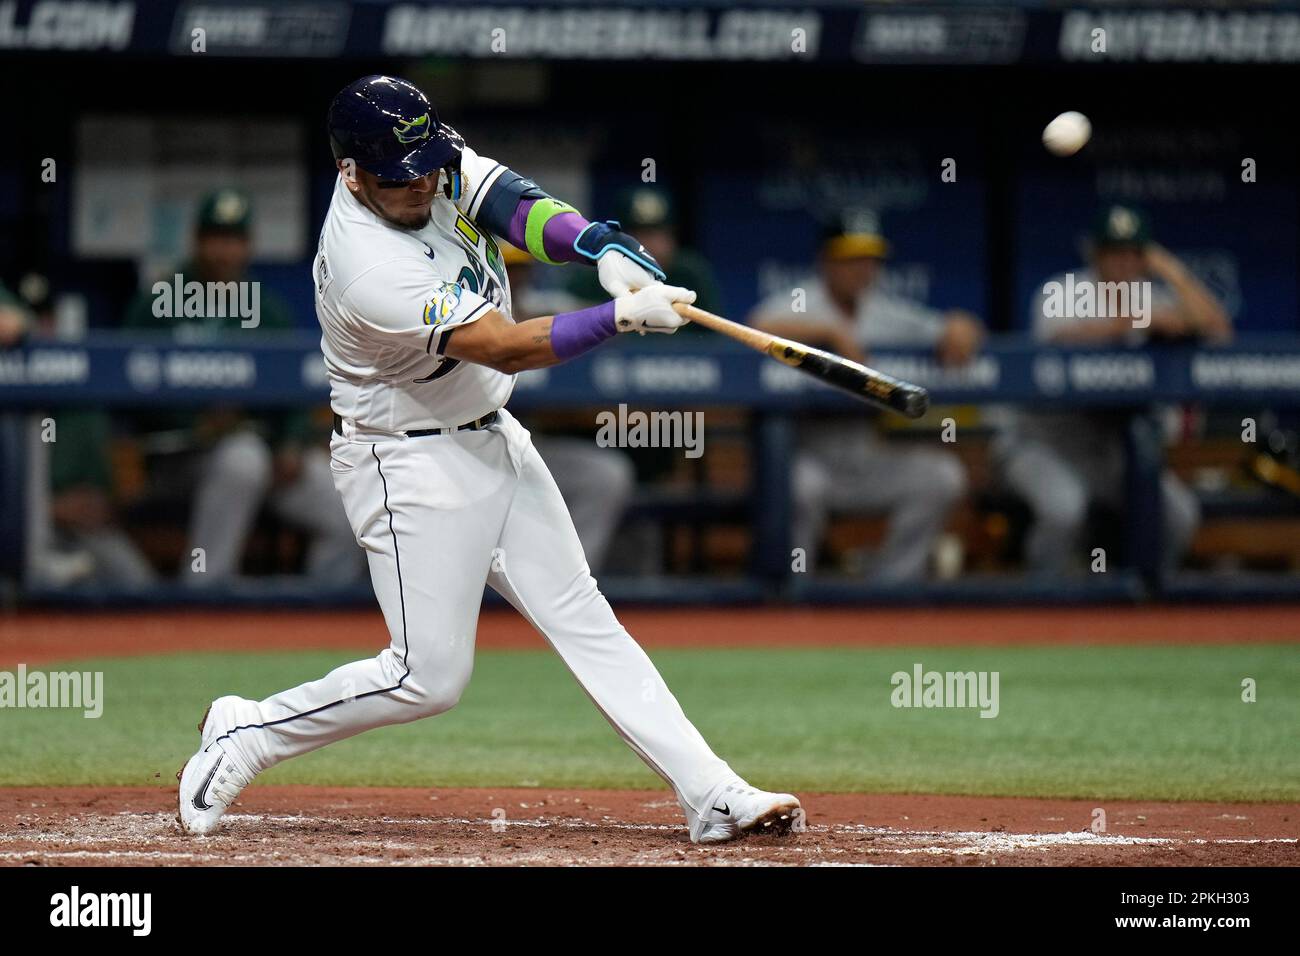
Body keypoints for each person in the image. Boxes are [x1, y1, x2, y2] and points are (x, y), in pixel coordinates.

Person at [177, 75, 800, 845]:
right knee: (427, 679)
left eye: (430, 167)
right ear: (353, 173)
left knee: (583, 615)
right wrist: (617, 317)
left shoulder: (425, 156)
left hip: (490, 434)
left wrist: (594, 243)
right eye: (403, 178)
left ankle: (711, 792)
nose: (425, 183)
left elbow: (509, 201)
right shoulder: (366, 264)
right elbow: (500, 343)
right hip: (405, 464)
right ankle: (249, 733)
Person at [124, 189, 363, 586]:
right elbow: (123, 385)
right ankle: (202, 590)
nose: (224, 251)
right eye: (215, 238)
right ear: (197, 241)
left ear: (248, 246)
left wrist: (291, 441)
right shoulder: (157, 303)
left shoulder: (267, 308)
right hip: (180, 459)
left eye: (234, 240)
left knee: (349, 502)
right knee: (242, 459)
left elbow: (295, 387)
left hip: (265, 457)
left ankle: (314, 616)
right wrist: (193, 420)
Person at [999, 205, 1230, 575]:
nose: (1123, 262)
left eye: (1133, 253)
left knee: (1179, 513)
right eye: (1113, 252)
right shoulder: (1064, 290)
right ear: (1095, 253)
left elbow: (1218, 329)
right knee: (1064, 508)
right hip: (1042, 443)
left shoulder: (1149, 295)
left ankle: (1146, 607)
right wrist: (1141, 320)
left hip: (1107, 449)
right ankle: (1041, 600)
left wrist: (1172, 272)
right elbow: (1059, 337)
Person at [750, 213, 980, 582]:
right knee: (797, 485)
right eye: (850, 259)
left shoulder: (884, 310)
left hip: (872, 455)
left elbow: (952, 328)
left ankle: (892, 585)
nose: (862, 269)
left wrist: (962, 328)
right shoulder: (800, 302)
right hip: (812, 458)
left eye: (870, 259)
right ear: (826, 260)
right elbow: (756, 327)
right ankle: (793, 591)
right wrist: (828, 333)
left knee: (942, 476)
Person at [500, 243, 635, 572]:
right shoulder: (448, 305)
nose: (511, 278)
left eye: (519, 269)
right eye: (506, 267)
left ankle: (569, 585)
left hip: (524, 447)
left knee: (604, 475)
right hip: (455, 449)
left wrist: (538, 329)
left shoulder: (544, 307)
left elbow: (606, 325)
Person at [566, 185, 723, 319]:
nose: (652, 245)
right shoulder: (595, 275)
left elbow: (716, 344)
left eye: (659, 233)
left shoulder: (690, 274)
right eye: (640, 235)